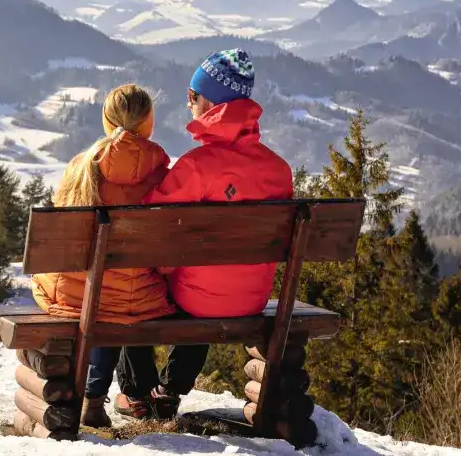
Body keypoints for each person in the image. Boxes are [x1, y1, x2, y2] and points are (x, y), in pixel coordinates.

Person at [112, 49, 295, 421]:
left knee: (139, 279)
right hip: (252, 298)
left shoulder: (196, 167)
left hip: (197, 300)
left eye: (191, 96)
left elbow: (147, 227)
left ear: (210, 103)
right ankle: (170, 390)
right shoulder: (278, 170)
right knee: (207, 285)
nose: (188, 103)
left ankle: (136, 391)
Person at [30, 83, 175, 428]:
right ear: (149, 122)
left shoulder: (82, 167)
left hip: (82, 296)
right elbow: (168, 255)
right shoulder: (164, 174)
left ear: (108, 122)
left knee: (98, 295)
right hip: (141, 298)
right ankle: (114, 396)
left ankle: (91, 400)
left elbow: (62, 243)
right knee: (119, 295)